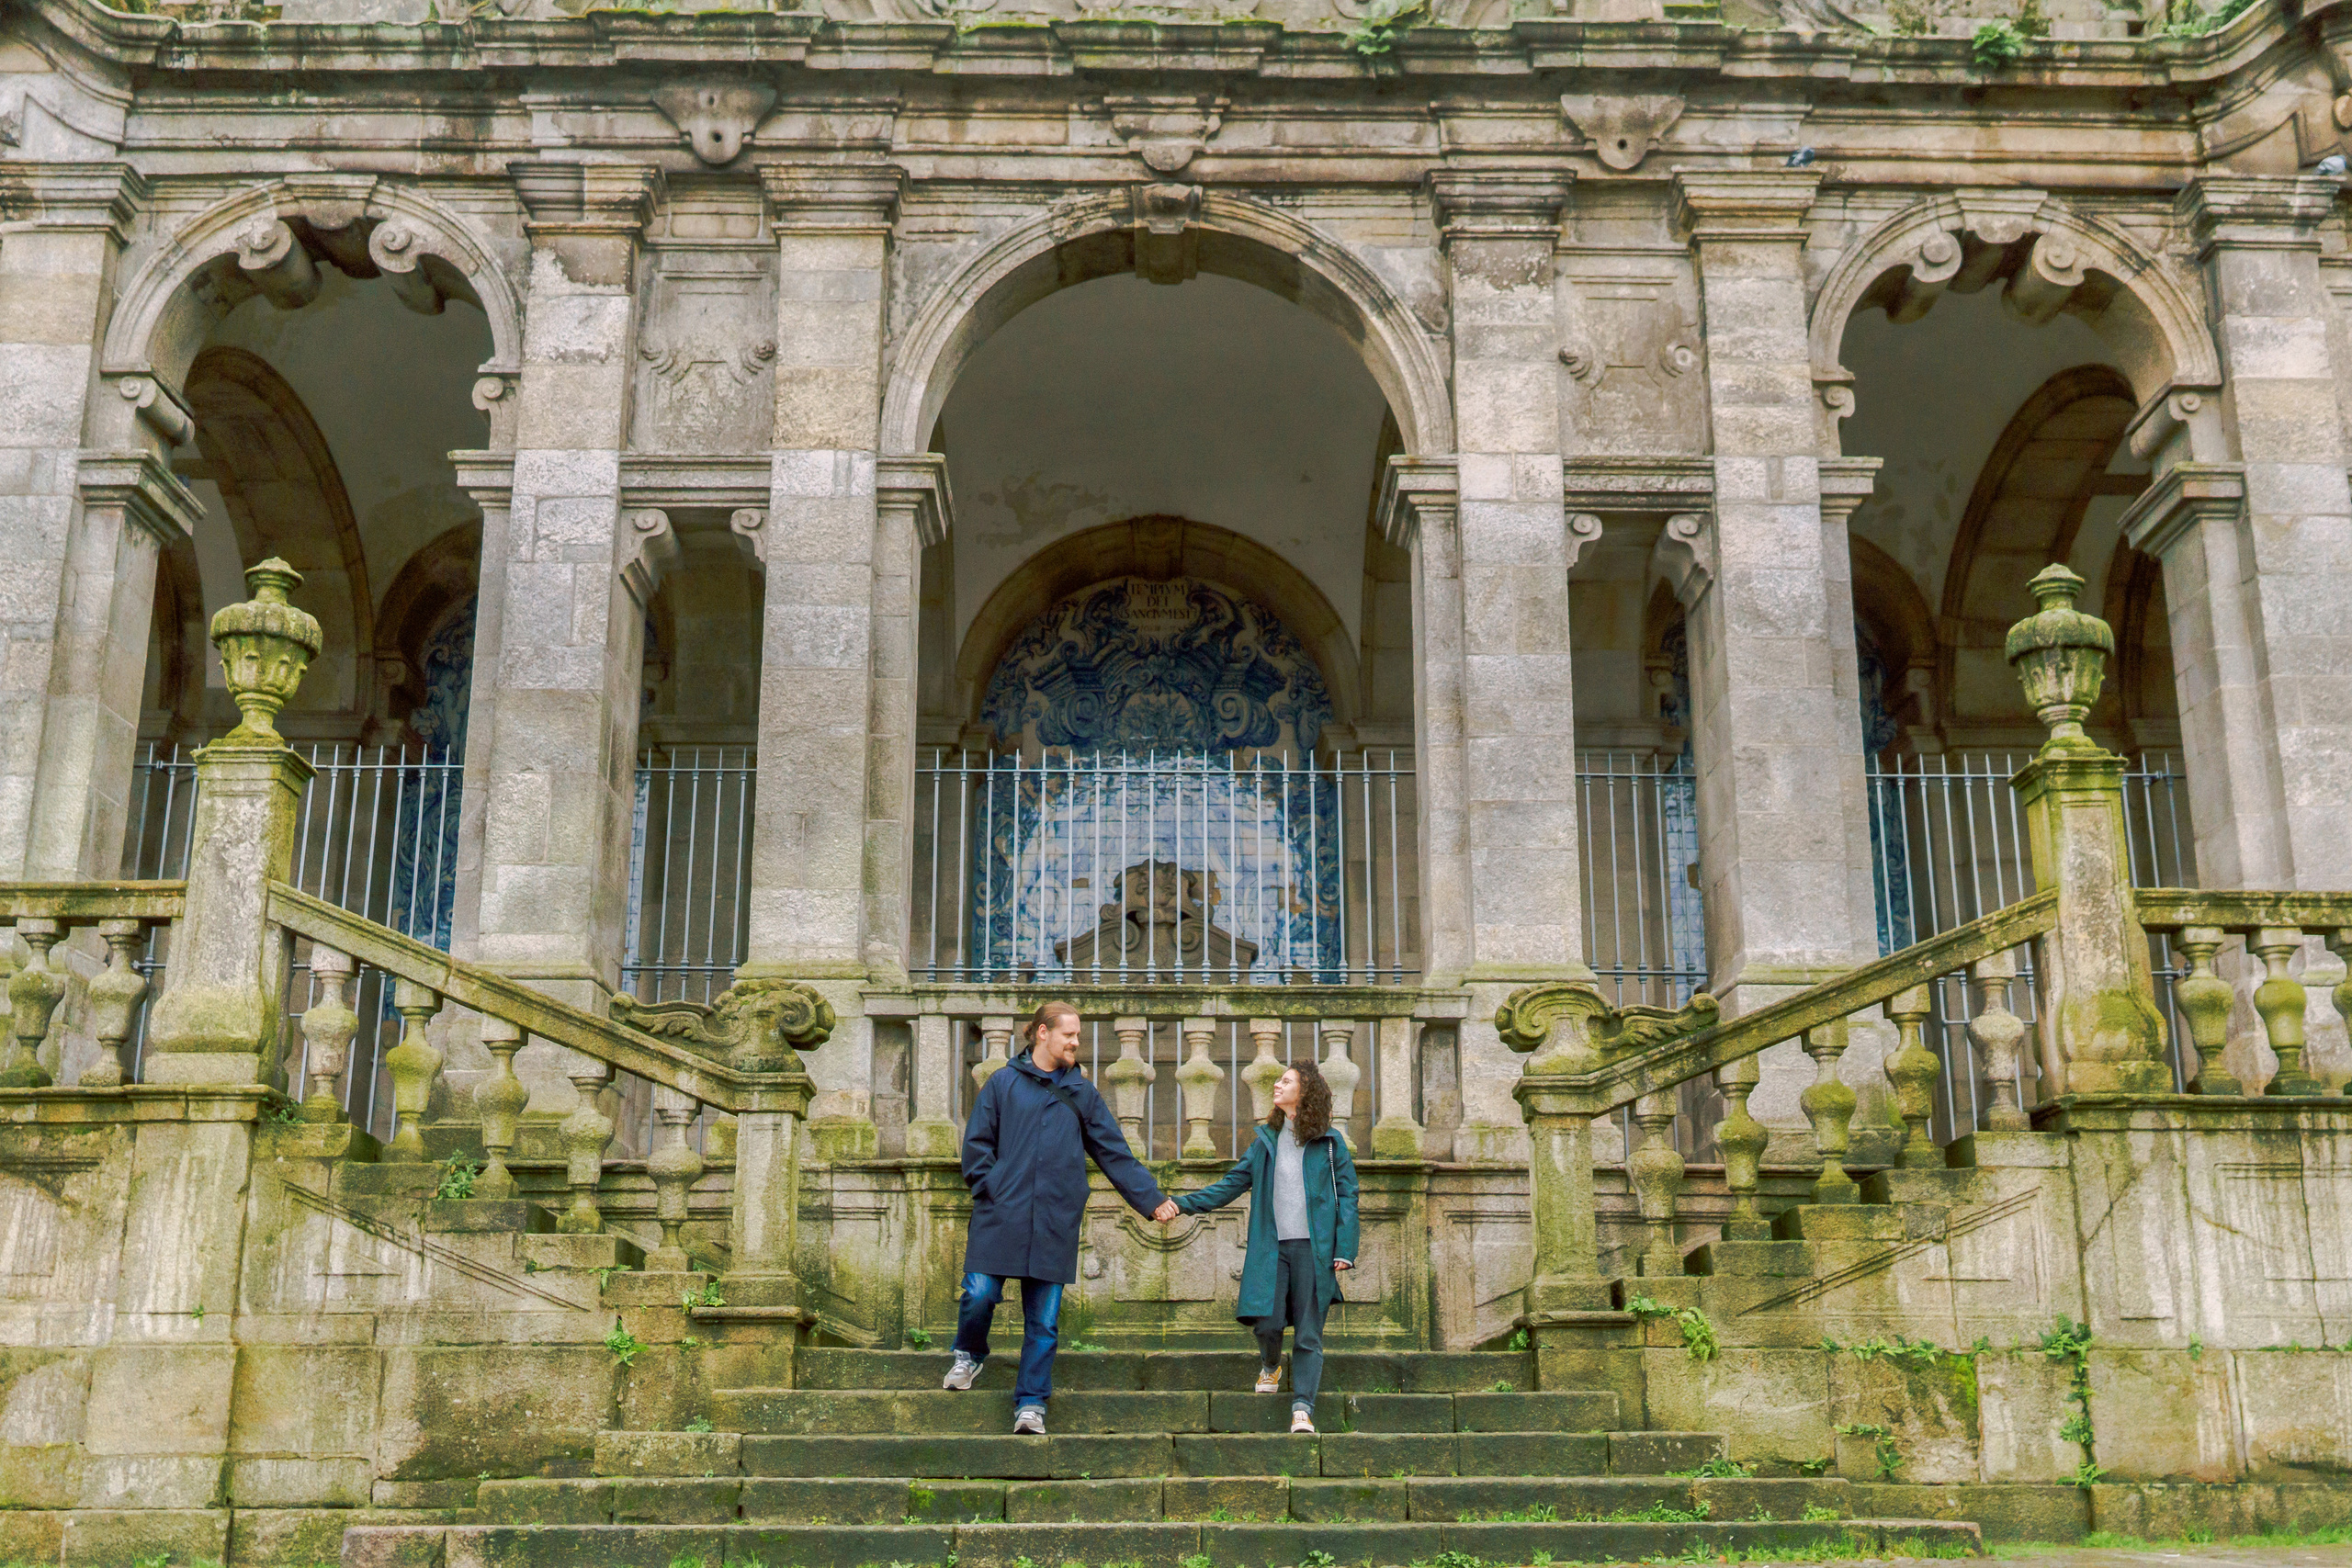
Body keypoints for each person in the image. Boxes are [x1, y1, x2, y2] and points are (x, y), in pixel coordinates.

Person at [943, 999, 1181, 1434]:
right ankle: (969, 1354)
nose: (1076, 1042)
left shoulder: (1082, 1094)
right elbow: (976, 1146)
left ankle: (1031, 1404)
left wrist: (1151, 1199)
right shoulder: (1001, 1083)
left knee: (1045, 1322)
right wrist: (991, 1188)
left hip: (1054, 1219)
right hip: (1002, 1213)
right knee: (978, 1293)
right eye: (1069, 1034)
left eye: (1077, 1035)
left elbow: (1114, 1152)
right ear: (1042, 1033)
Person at [1171, 1059, 1359, 1433]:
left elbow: (1348, 1196)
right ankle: (1271, 1365)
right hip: (1272, 1250)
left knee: (1308, 1333)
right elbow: (1229, 1186)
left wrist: (1344, 1249)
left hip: (1315, 1250)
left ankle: (1302, 1408)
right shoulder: (1265, 1142)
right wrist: (1180, 1204)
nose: (1277, 1085)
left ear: (1304, 1093)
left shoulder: (1331, 1143)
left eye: (1286, 1081)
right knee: (1268, 1323)